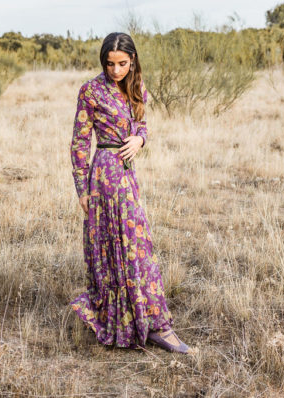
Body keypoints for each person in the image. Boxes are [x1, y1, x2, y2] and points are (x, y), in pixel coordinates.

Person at [68, 32, 190, 354]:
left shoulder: (137, 87)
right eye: (110, 64)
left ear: (132, 60)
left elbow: (142, 124)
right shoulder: (91, 90)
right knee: (113, 250)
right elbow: (80, 142)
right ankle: (137, 324)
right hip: (104, 175)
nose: (116, 70)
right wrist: (82, 189)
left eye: (122, 63)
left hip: (128, 176)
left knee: (137, 247)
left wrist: (140, 139)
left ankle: (150, 322)